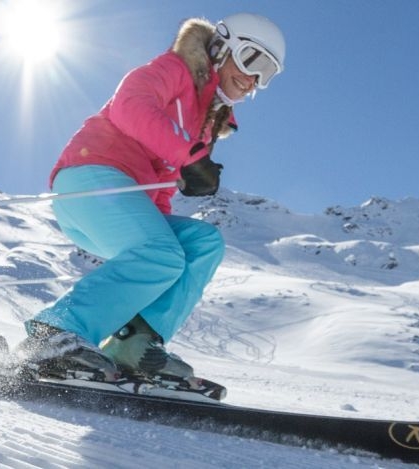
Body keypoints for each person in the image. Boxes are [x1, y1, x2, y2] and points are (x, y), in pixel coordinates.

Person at [17, 13, 286, 383]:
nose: (254, 79)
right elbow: (130, 104)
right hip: (91, 178)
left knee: (203, 243)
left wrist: (190, 158)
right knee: (163, 253)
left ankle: (135, 344)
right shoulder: (175, 69)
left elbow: (159, 189)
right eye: (252, 60)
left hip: (124, 203)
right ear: (222, 48)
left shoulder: (205, 123)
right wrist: (189, 156)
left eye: (267, 74)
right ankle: (55, 332)